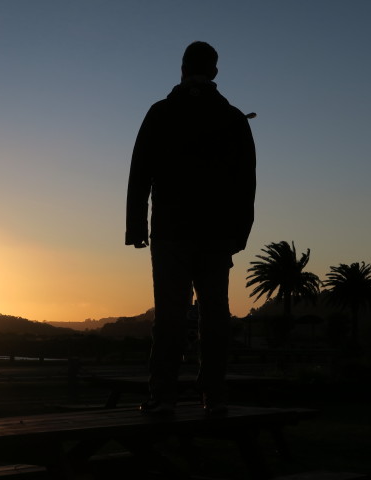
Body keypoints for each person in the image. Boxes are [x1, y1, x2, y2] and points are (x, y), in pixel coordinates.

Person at [125, 41, 256, 415]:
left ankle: (163, 397)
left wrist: (137, 227)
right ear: (214, 72)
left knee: (170, 313)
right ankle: (213, 397)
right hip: (217, 234)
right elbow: (246, 181)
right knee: (215, 314)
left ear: (182, 68)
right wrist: (239, 233)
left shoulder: (162, 112)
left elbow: (140, 173)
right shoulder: (232, 118)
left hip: (170, 231)